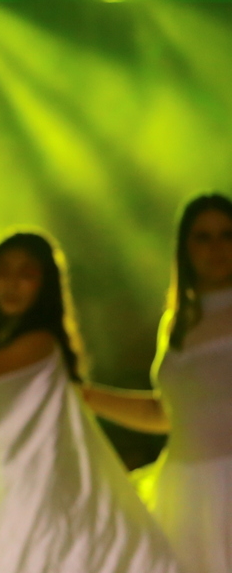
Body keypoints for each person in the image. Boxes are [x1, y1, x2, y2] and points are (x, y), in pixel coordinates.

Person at [0, 232, 177, 573]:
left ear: (44, 285)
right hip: (12, 499)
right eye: (3, 272)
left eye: (26, 274)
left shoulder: (40, 345)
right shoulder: (6, 351)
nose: (12, 284)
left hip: (45, 504)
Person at [83, 193, 232, 573]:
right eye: (203, 237)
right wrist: (82, 395)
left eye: (226, 235)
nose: (216, 247)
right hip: (184, 496)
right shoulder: (177, 324)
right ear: (185, 249)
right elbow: (168, 414)